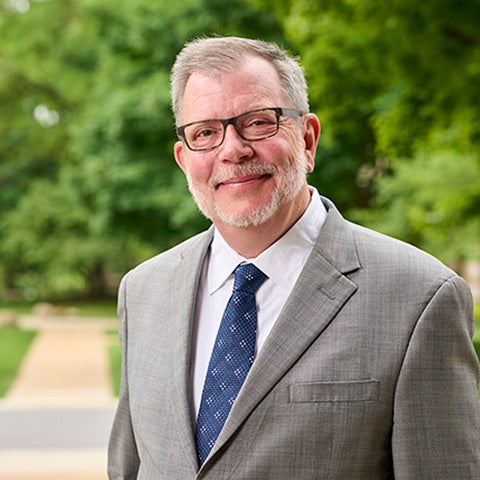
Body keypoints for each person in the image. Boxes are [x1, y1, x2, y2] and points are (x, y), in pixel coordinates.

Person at [107, 36, 480, 479]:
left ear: (307, 139)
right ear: (184, 159)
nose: (232, 149)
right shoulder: (143, 291)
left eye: (258, 122)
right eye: (205, 132)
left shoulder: (420, 299)